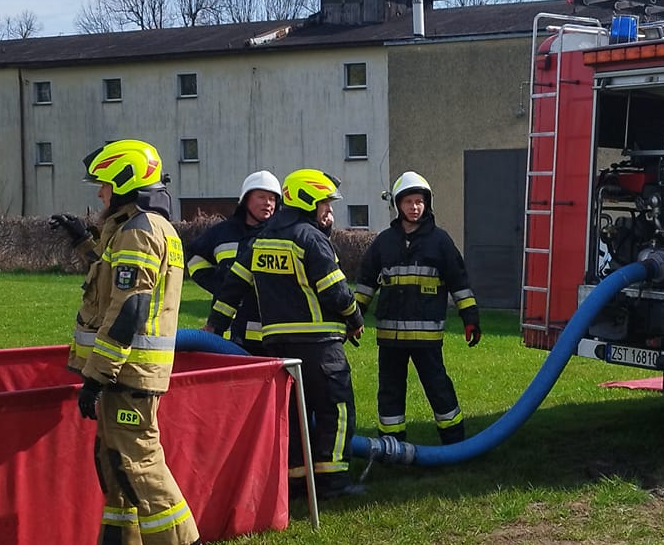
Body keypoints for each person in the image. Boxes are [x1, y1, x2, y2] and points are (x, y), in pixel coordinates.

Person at [50, 140, 202, 545]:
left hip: (128, 370)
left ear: (123, 184)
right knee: (114, 460)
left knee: (138, 460)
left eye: (103, 185)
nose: (99, 193)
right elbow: (108, 275)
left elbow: (129, 307)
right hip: (126, 369)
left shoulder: (139, 230)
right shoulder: (134, 227)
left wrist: (97, 376)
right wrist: (82, 240)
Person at [208, 168, 363, 496]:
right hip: (320, 343)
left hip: (277, 346)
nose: (329, 212)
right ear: (308, 201)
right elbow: (335, 292)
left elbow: (232, 288)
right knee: (335, 408)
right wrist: (355, 318)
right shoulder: (310, 238)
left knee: (293, 413)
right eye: (325, 204)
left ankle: (294, 480)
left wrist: (213, 328)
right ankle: (333, 481)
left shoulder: (259, 240)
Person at [357, 171, 481, 445]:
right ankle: (391, 445)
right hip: (390, 338)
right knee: (389, 391)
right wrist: (354, 319)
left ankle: (454, 442)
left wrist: (470, 317)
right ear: (398, 205)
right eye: (408, 202)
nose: (415, 207)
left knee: (438, 387)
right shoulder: (384, 242)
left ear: (427, 204)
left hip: (427, 337)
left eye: (419, 201)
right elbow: (365, 283)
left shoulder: (440, 241)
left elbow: (459, 283)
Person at [184, 170, 279, 354]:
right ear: (246, 200)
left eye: (272, 199)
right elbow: (195, 258)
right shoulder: (222, 232)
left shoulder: (280, 235)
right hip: (224, 331)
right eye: (261, 197)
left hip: (265, 334)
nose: (268, 203)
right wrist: (219, 285)